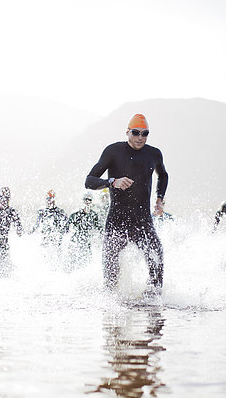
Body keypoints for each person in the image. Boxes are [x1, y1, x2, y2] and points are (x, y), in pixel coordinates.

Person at [85, 113, 168, 291]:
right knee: (110, 266)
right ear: (127, 132)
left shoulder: (154, 154)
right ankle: (111, 305)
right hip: (117, 218)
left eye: (145, 133)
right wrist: (112, 182)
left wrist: (160, 199)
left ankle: (153, 303)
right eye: (136, 132)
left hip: (142, 219)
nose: (140, 137)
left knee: (157, 257)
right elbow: (89, 180)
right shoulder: (113, 151)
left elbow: (163, 175)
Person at [63, 192, 103, 266]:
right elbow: (66, 227)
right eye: (86, 199)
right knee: (72, 261)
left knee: (86, 262)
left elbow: (99, 228)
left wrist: (100, 238)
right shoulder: (76, 214)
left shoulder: (93, 215)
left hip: (87, 242)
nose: (87, 201)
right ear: (83, 201)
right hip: (75, 241)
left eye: (89, 200)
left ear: (91, 201)